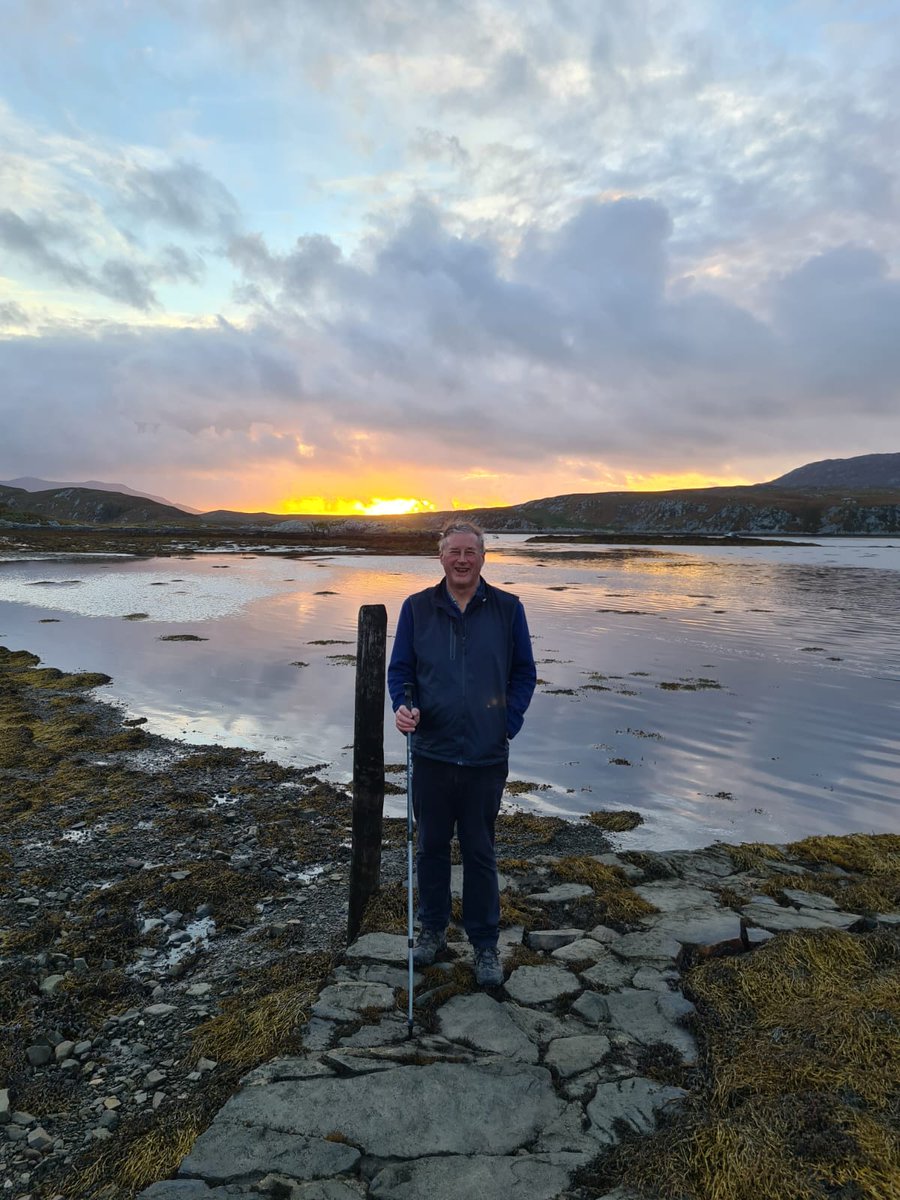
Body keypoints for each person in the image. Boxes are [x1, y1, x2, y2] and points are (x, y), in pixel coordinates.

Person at [388, 521, 537, 987]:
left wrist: (506, 723)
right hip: (431, 752)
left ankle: (485, 946)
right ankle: (432, 930)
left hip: (485, 757)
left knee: (479, 851)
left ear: (484, 556)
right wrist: (403, 708)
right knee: (430, 846)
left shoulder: (509, 609)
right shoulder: (416, 608)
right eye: (454, 551)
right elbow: (401, 670)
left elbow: (524, 674)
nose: (462, 559)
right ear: (440, 556)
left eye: (470, 551)